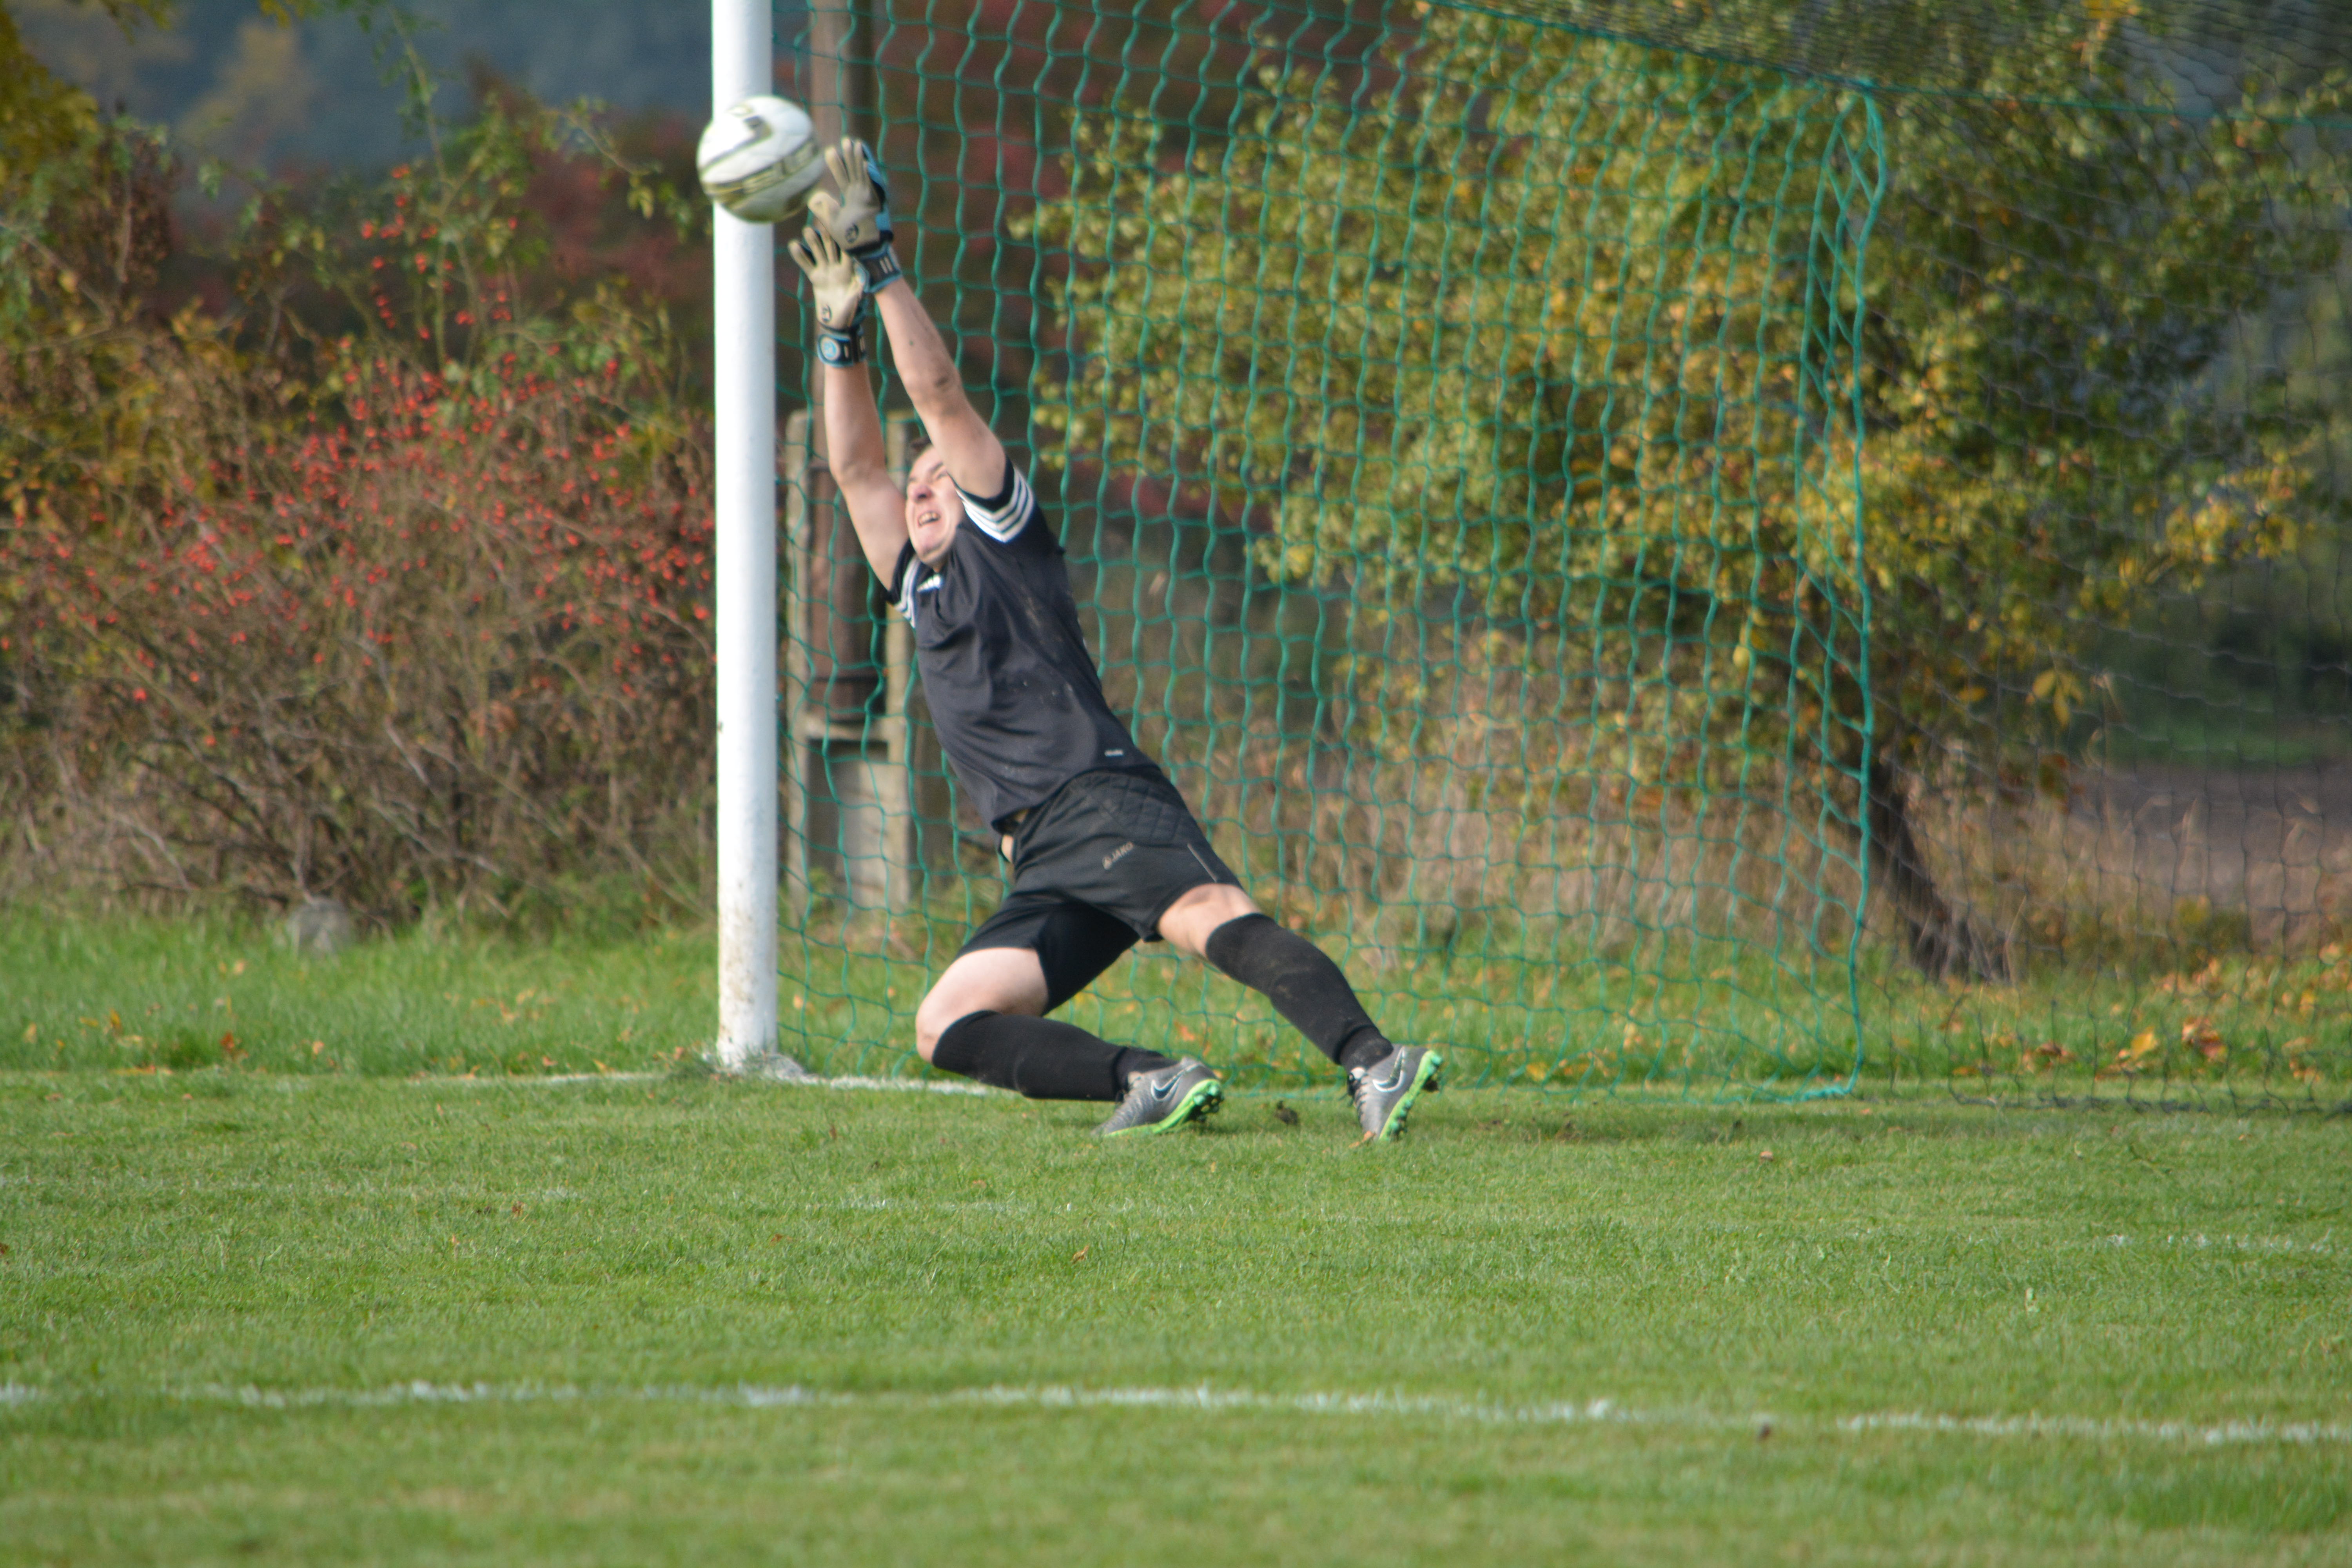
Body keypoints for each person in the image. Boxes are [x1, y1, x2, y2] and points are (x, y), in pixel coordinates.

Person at [786, 138, 1441, 1140]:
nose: (919, 490)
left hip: (1098, 798)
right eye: (915, 486)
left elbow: (940, 400)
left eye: (938, 480)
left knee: (1211, 916)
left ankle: (1372, 1061)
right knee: (947, 1019)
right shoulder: (917, 582)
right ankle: (1152, 1077)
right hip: (1041, 852)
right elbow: (854, 466)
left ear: (977, 492)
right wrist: (838, 338)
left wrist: (880, 272)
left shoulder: (1006, 537)